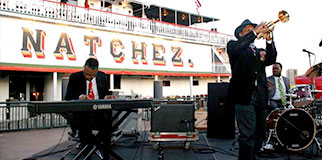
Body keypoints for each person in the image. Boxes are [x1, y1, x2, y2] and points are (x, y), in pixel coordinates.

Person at [226, 19, 277, 160]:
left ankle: (253, 157)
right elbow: (238, 47)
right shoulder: (234, 46)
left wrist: (269, 40)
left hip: (260, 96)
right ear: (240, 34)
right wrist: (254, 32)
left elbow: (272, 59)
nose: (252, 32)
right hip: (243, 95)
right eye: (247, 30)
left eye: (252, 30)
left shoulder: (257, 51)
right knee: (247, 134)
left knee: (260, 132)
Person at [65, 58, 116, 158]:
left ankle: (106, 156)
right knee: (85, 133)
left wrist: (108, 96)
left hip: (100, 113)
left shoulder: (103, 76)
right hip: (83, 114)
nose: (88, 76)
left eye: (92, 75)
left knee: (107, 129)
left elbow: (105, 93)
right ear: (84, 67)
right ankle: (86, 154)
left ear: (96, 71)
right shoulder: (75, 77)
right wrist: (79, 97)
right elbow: (68, 97)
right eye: (86, 73)